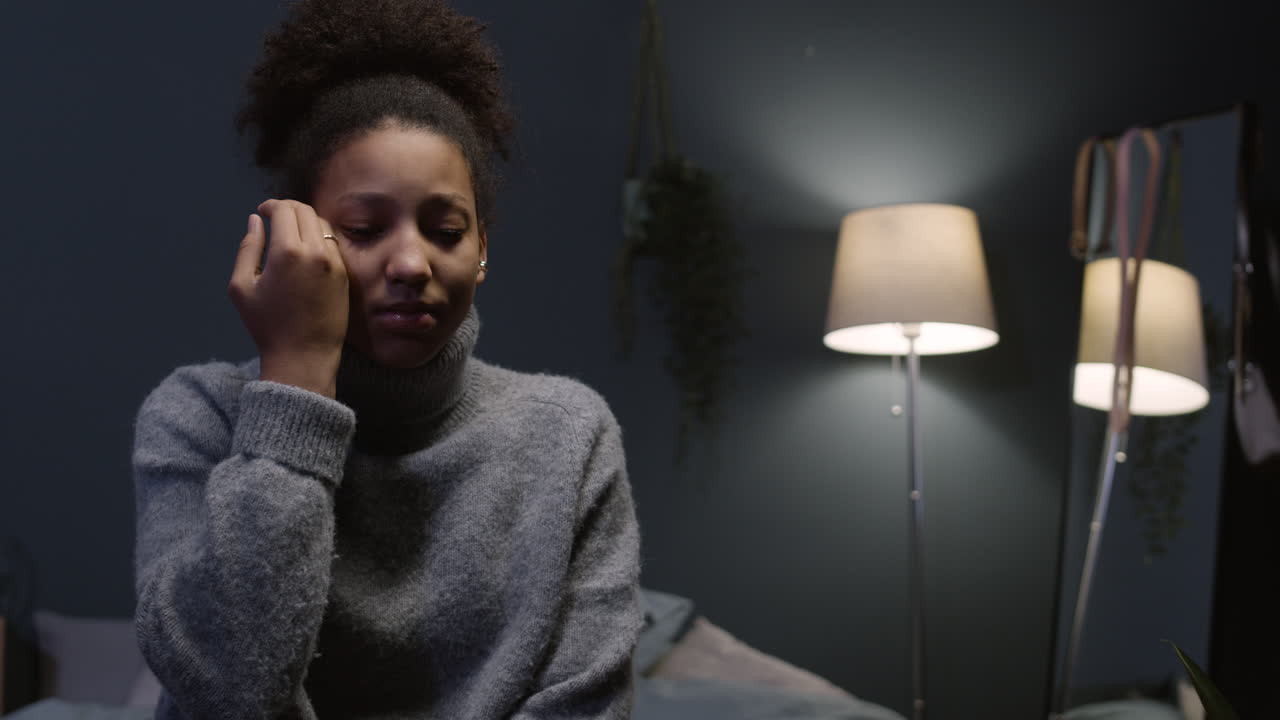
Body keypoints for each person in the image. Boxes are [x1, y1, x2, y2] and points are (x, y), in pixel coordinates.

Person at [130, 0, 642, 717]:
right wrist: (298, 383)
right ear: (296, 238)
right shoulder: (198, 417)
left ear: (483, 249)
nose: (410, 262)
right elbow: (227, 688)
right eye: (366, 228)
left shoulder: (568, 436)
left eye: (445, 229)